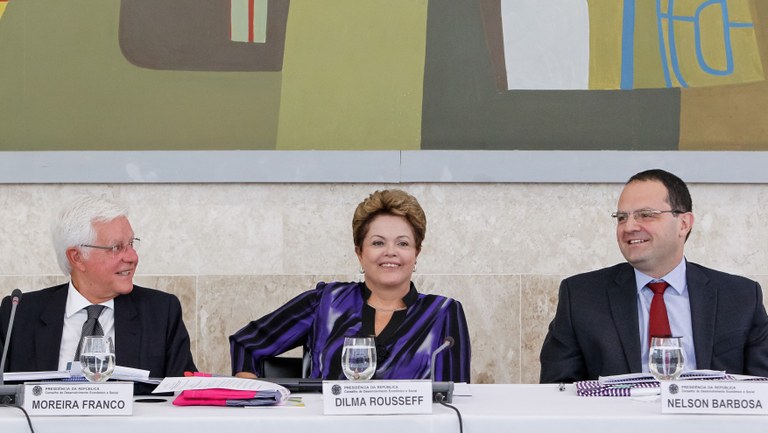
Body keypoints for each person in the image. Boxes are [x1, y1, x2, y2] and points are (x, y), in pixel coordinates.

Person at [540, 169, 768, 383]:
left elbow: (762, 390)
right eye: (621, 217)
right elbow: (557, 392)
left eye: (646, 215)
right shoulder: (581, 297)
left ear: (684, 224)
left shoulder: (741, 297)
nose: (628, 227)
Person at [230, 189, 471, 382]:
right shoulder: (325, 302)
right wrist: (254, 398)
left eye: (403, 243)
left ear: (416, 253)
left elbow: (455, 399)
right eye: (378, 243)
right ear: (359, 252)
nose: (390, 252)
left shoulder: (443, 313)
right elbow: (247, 344)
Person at [0, 195, 197, 386]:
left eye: (131, 244)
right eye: (116, 248)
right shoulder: (18, 314)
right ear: (76, 257)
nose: (132, 257)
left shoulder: (161, 313)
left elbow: (184, 396)